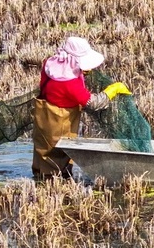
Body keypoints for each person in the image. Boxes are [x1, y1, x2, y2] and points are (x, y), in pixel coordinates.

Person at [32, 36, 128, 182]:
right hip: (59, 120)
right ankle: (53, 185)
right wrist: (112, 91)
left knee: (43, 154)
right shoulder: (69, 84)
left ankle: (41, 180)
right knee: (56, 160)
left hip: (44, 116)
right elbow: (93, 103)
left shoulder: (50, 64)